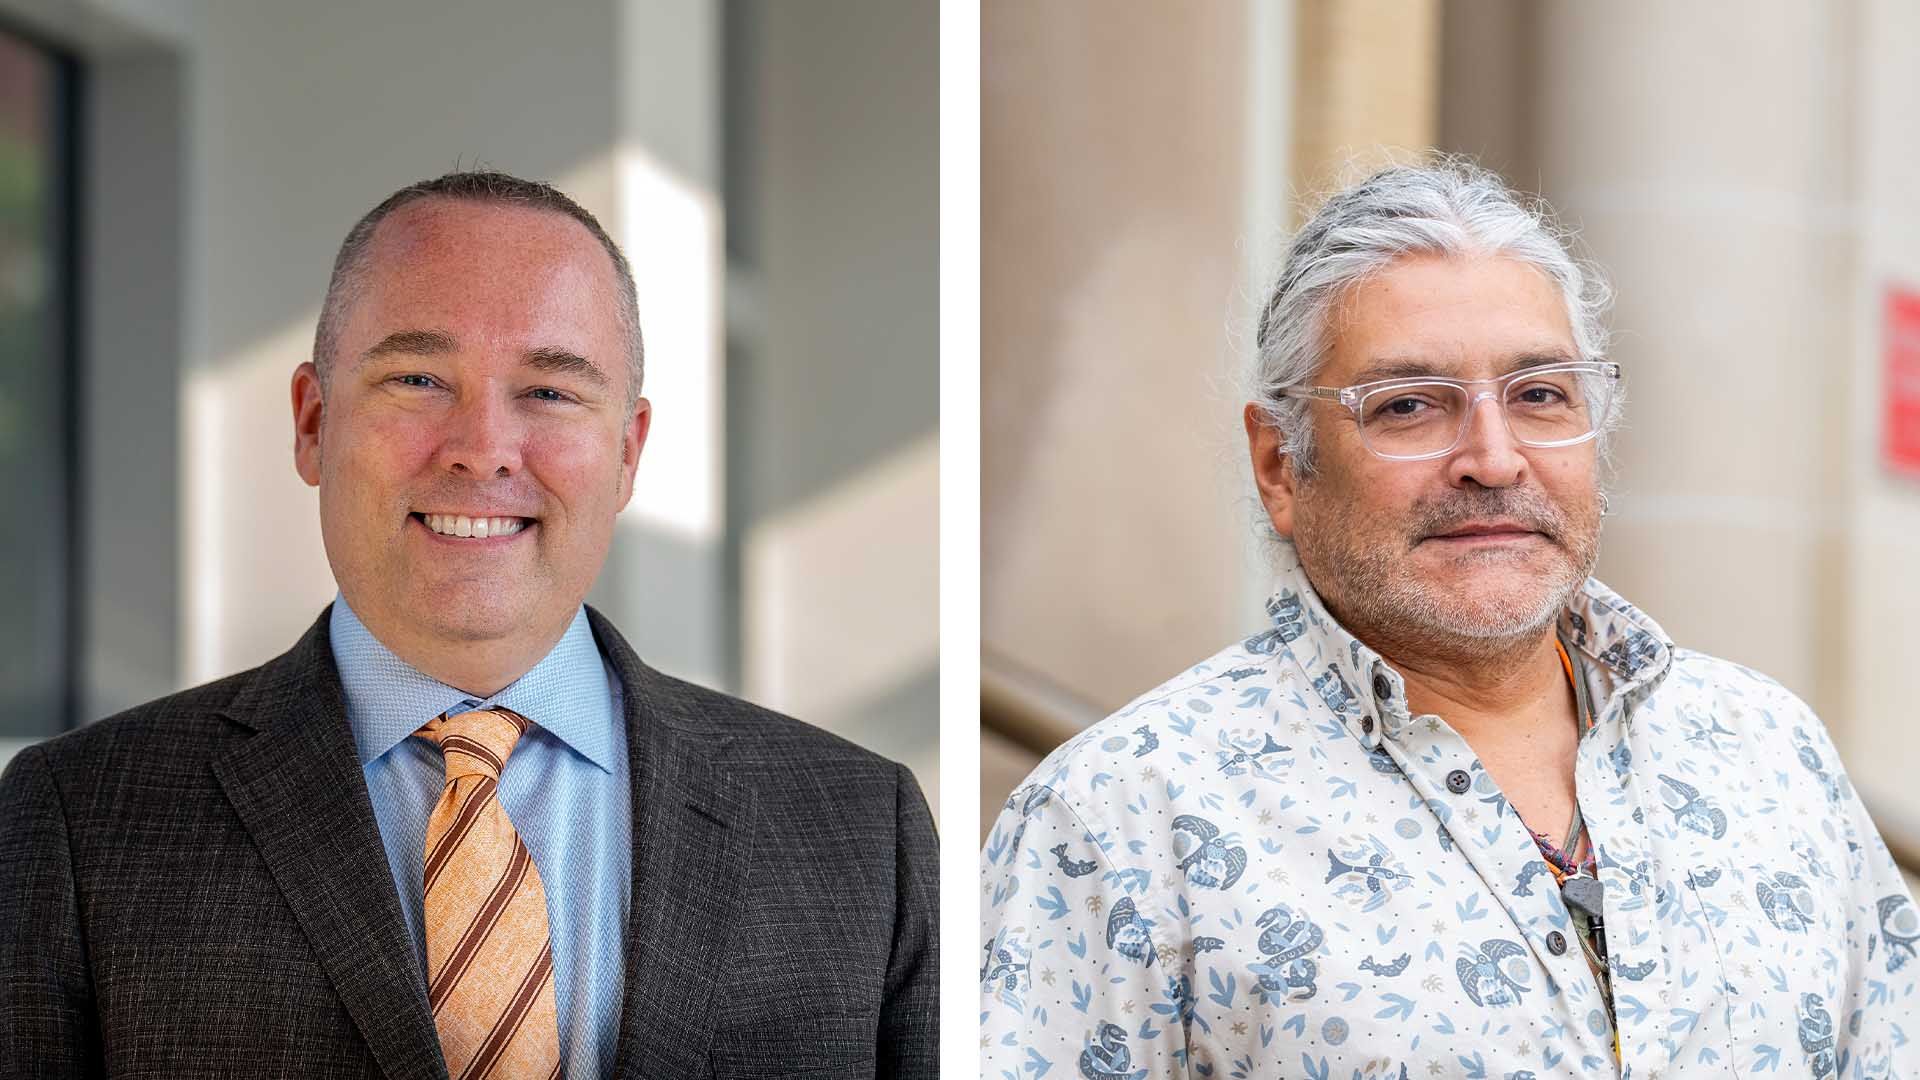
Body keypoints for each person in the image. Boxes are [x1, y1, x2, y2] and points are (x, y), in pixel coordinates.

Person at [980, 160, 1919, 1078]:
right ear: (1279, 466)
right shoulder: (1122, 817)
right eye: (1408, 406)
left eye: (1540, 394)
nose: (1494, 458)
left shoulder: (1767, 751)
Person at [0, 171, 937, 1078]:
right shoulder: (75, 820)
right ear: (312, 422)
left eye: (550, 391)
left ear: (627, 452)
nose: (483, 451)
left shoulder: (862, 829)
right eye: (417, 378)